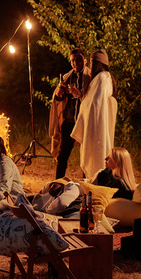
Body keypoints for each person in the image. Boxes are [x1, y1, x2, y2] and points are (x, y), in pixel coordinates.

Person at [71, 48, 118, 180]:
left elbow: (95, 104)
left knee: (96, 155)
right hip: (96, 123)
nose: (90, 66)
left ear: (97, 64)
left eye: (92, 63)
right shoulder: (99, 78)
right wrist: (81, 96)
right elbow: (91, 100)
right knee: (93, 157)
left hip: (98, 126)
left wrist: (87, 121)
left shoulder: (102, 78)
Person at [49, 49, 91, 179]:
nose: (75, 63)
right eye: (72, 60)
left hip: (84, 122)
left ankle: (86, 183)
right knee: (63, 155)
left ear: (84, 60)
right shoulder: (68, 77)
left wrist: (82, 94)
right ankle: (58, 182)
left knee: (86, 155)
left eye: (78, 59)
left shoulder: (90, 77)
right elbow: (59, 100)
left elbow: (93, 97)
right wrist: (59, 94)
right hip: (70, 121)